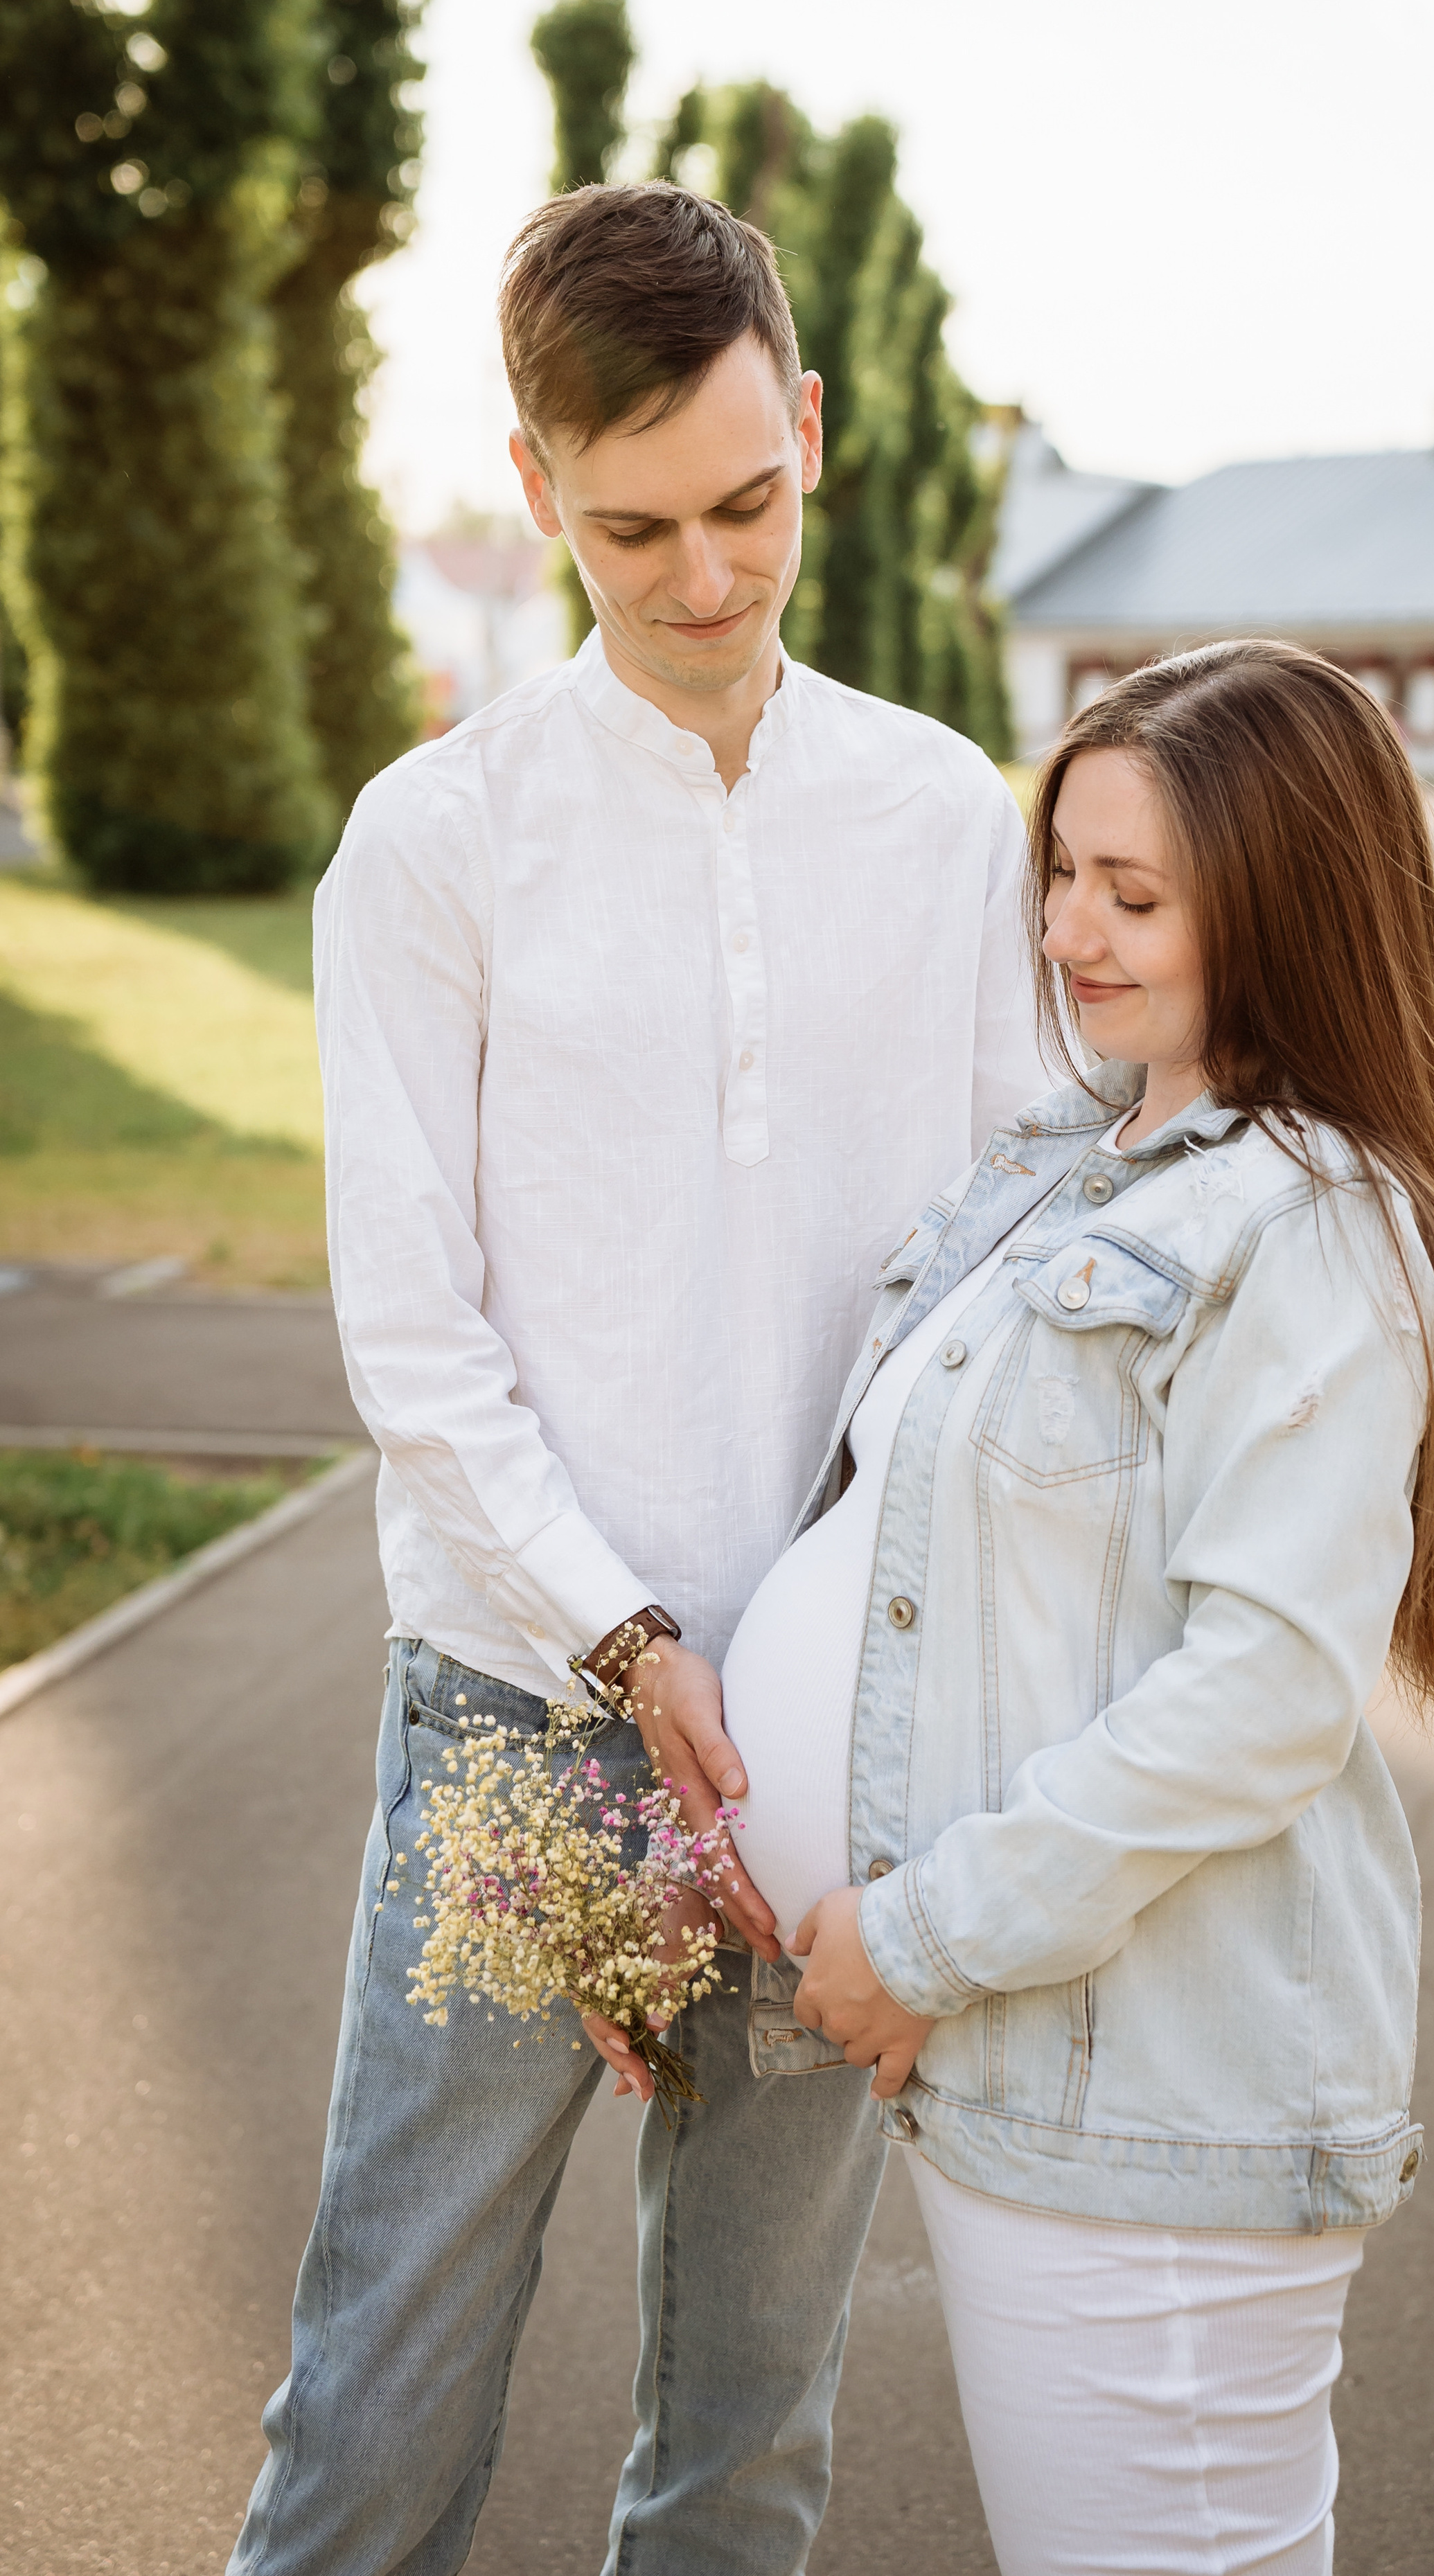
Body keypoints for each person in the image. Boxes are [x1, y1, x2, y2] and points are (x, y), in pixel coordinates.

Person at [228, 181, 1041, 2576]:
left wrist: (832, 1674)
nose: (704, 578)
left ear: (811, 422)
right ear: (531, 488)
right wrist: (622, 1644)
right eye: (631, 530)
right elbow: (414, 1336)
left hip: (823, 1733)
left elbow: (999, 1275)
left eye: (749, 504)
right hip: (524, 1725)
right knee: (384, 2397)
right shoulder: (430, 846)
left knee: (748, 2427)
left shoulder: (945, 812)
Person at [720, 641, 1434, 2576]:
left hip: (1149, 2099)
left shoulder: (1313, 1226)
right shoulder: (1078, 1167)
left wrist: (914, 1937)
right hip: (1036, 2058)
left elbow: (1259, 1696)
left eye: (1138, 894)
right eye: (1064, 870)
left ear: (1283, 903)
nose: (1072, 930)